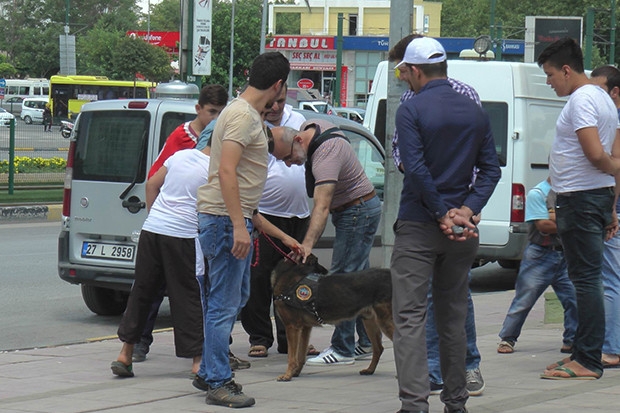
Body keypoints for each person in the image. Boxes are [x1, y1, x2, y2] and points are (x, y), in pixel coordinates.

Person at [390, 37, 500, 413]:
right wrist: (467, 211)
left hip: (420, 225)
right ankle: (456, 402)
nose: (404, 78)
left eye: (405, 71)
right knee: (452, 315)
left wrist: (440, 213)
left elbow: (414, 168)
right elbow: (490, 170)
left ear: (416, 71)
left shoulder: (411, 109)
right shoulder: (475, 110)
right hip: (462, 233)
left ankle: (415, 404)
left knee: (408, 317)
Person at [194, 51, 290, 409]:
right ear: (278, 85)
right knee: (222, 303)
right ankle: (218, 381)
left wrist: (249, 223)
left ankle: (209, 368)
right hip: (223, 219)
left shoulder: (243, 114)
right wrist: (238, 225)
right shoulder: (241, 117)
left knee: (234, 298)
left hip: (230, 217)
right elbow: (226, 171)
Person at [539, 37, 620, 381]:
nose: (549, 81)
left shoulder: (584, 98)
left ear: (567, 70)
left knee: (586, 282)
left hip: (581, 199)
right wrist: (612, 205)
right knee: (588, 280)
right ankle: (582, 353)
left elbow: (596, 153)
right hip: (593, 197)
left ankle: (587, 360)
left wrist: (613, 168)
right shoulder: (602, 97)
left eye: (551, 74)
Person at [270, 118, 382, 366]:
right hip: (360, 207)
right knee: (358, 278)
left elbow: (321, 206)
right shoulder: (314, 125)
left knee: (343, 280)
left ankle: (342, 348)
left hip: (356, 210)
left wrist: (307, 245)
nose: (289, 163)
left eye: (288, 157)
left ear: (299, 140)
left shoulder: (325, 154)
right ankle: (364, 342)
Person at [131, 84, 228, 365]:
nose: (215, 119)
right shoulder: (182, 139)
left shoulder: (217, 143)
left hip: (193, 229)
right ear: (198, 109)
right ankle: (141, 342)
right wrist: (156, 217)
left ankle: (214, 347)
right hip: (176, 227)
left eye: (221, 114)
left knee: (198, 289)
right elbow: (155, 179)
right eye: (212, 112)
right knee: (165, 290)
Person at [110, 132, 214, 379]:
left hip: (153, 229)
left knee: (143, 291)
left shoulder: (179, 156)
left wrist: (155, 218)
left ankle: (125, 355)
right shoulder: (217, 168)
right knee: (189, 295)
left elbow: (151, 184)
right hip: (185, 236)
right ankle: (198, 361)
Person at [240, 83, 313, 358]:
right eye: (272, 103)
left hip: (299, 213)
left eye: (281, 102)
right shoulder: (253, 124)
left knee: (295, 280)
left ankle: (291, 337)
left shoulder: (298, 121)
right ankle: (259, 336)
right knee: (259, 279)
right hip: (266, 215)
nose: (275, 107)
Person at [497, 177, 577, 354]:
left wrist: (555, 216)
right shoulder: (538, 193)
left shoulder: (571, 192)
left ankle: (571, 340)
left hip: (566, 254)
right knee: (525, 298)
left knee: (574, 299)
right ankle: (507, 338)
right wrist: (572, 220)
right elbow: (543, 225)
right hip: (540, 254)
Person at [590, 65, 620, 368]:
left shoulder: (615, 119)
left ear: (615, 92)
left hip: (615, 209)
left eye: (600, 91)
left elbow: (615, 165)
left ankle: (611, 347)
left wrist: (611, 209)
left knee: (609, 278)